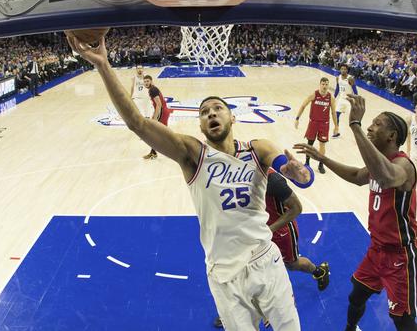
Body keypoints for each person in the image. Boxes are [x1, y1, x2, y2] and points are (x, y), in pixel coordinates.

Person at [67, 28, 316, 330]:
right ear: (200, 125)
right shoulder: (192, 155)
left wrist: (299, 173)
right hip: (223, 274)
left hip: (265, 261)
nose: (211, 114)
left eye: (218, 108)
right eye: (204, 112)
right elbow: (137, 122)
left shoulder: (257, 148)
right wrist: (103, 65)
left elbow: (300, 177)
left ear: (232, 117)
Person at [295, 94, 417, 331]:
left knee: (403, 323)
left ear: (392, 135)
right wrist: (322, 157)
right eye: (370, 123)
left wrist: (354, 125)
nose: (370, 127)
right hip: (377, 250)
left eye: (377, 124)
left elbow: (387, 178)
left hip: (401, 256)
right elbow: (357, 176)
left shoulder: (403, 165)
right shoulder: (381, 161)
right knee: (356, 295)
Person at [213, 169, 330, 328]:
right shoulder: (235, 174)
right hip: (255, 230)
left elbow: (297, 208)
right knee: (243, 266)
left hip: (280, 230)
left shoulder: (273, 179)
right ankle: (238, 310)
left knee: (291, 264)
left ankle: (318, 271)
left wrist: (269, 230)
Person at [294, 77, 338, 174]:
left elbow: (333, 113)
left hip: (324, 124)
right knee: (310, 144)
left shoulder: (331, 97)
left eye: (326, 84)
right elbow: (303, 105)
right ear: (320, 84)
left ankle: (321, 164)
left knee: (322, 145)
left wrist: (336, 126)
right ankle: (307, 162)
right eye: (323, 84)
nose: (325, 86)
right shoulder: (314, 94)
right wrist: (297, 118)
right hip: (313, 122)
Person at [142, 75, 171, 160]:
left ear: (151, 81)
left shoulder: (153, 90)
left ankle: (153, 153)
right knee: (163, 133)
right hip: (164, 112)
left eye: (148, 81)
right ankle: (153, 152)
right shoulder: (153, 89)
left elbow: (159, 105)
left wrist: (154, 118)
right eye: (145, 81)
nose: (146, 83)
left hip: (162, 112)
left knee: (154, 133)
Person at [332, 65, 358, 138]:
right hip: (341, 99)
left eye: (345, 69)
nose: (343, 70)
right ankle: (336, 132)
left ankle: (358, 135)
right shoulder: (338, 78)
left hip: (349, 100)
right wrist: (334, 97)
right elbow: (337, 88)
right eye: (342, 69)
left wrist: (356, 100)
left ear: (347, 70)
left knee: (353, 118)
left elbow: (355, 90)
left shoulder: (350, 78)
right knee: (336, 115)